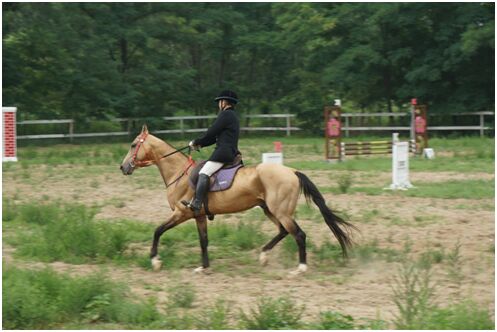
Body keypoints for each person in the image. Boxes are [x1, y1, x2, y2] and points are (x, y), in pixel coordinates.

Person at [184, 90, 241, 214]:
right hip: (230, 151)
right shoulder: (232, 116)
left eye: (219, 101)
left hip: (223, 152)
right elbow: (213, 138)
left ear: (224, 102)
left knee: (204, 172)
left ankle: (197, 203)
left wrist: (195, 141)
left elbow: (211, 132)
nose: (218, 104)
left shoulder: (225, 115)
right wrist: (199, 144)